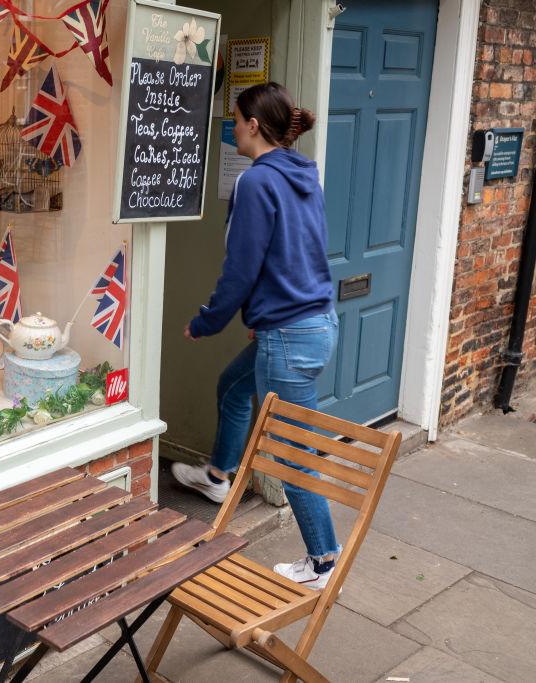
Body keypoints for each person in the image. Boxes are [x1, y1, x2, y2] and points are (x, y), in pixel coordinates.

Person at [172, 82, 341, 589]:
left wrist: (206, 321)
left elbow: (241, 269)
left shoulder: (257, 181)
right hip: (311, 323)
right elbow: (300, 253)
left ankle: (322, 561)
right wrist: (266, 316)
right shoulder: (301, 173)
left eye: (236, 118)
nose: (232, 126)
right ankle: (219, 476)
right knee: (233, 385)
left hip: (289, 334)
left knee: (292, 452)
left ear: (252, 124)